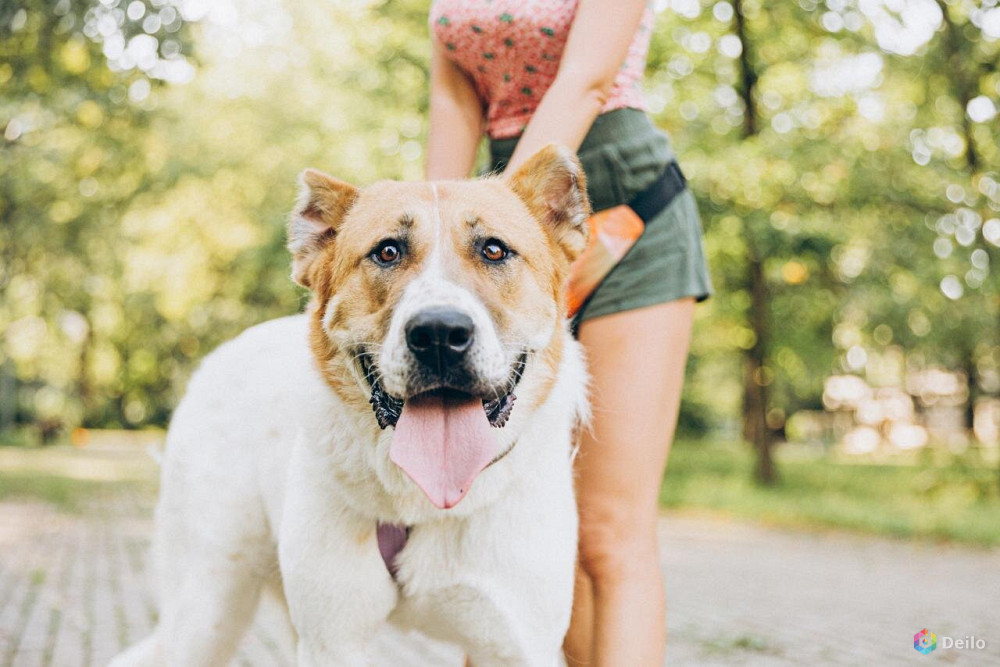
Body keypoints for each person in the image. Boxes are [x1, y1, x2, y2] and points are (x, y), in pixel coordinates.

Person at [424, 1, 712, 664]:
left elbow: (583, 79)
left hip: (621, 210)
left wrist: (493, 213)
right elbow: (454, 106)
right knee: (495, 528)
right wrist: (439, 250)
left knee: (607, 532)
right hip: (496, 227)